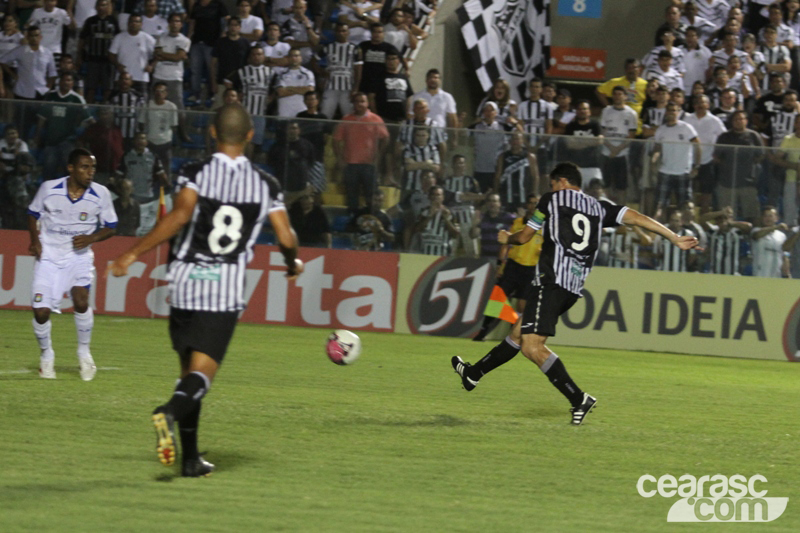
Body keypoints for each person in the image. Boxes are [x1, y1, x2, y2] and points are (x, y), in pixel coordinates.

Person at [108, 104, 303, 477]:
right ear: (250, 136)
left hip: (183, 281)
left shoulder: (194, 172)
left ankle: (191, 458)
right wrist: (291, 261)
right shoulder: (265, 184)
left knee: (187, 374)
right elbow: (284, 236)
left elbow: (180, 215)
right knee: (202, 376)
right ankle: (166, 413)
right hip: (223, 288)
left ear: (212, 133)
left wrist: (132, 253)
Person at [451, 162, 700, 425]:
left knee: (532, 347)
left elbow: (525, 237)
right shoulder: (599, 206)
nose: (551, 188)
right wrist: (673, 236)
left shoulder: (551, 199)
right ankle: (473, 374)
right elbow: (637, 217)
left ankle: (578, 398)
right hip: (572, 286)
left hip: (550, 281)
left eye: (552, 184)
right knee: (517, 332)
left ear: (561, 181)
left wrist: (506, 239)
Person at [28, 148, 117, 381]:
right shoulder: (49, 189)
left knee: (80, 300)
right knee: (40, 312)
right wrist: (34, 241)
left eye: (93, 168)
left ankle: (84, 353)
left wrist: (91, 238)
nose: (90, 173)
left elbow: (111, 226)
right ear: (71, 168)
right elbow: (32, 213)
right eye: (85, 167)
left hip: (79, 256)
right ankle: (47, 356)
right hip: (48, 257)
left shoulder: (101, 194)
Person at [473, 193, 542, 342]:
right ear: (527, 205)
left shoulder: (546, 227)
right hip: (513, 266)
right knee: (497, 299)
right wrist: (500, 265)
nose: (533, 206)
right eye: (531, 203)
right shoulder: (518, 222)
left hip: (531, 269)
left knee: (522, 305)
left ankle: (515, 336)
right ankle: (483, 331)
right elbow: (506, 243)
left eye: (536, 203)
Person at [333, 92, 389, 213]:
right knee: (352, 196)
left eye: (362, 101)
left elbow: (385, 138)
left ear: (367, 103)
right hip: (350, 164)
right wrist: (340, 159)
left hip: (369, 164)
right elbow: (336, 140)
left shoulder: (375, 119)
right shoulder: (346, 119)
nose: (360, 104)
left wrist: (378, 156)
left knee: (371, 195)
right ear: (353, 103)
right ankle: (353, 222)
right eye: (357, 101)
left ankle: (371, 222)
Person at [713, 110, 765, 223]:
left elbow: (760, 155)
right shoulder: (724, 136)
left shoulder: (753, 135)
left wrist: (749, 165)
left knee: (752, 214)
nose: (739, 121)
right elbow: (716, 157)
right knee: (727, 215)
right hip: (726, 182)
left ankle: (752, 236)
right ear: (731, 122)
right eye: (736, 119)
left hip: (748, 182)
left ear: (746, 121)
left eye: (741, 119)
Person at [114, 131, 168, 235]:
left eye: (143, 139)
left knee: (144, 230)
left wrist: (166, 186)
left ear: (147, 142)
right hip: (132, 198)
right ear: (134, 141)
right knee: (131, 228)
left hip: (147, 197)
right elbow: (119, 175)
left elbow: (161, 175)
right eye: (138, 139)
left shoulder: (153, 156)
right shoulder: (127, 156)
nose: (141, 141)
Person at [684, 94, 727, 213]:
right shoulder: (687, 119)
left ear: (708, 105)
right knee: (688, 192)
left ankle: (704, 218)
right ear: (693, 105)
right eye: (697, 102)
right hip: (688, 161)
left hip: (708, 161)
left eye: (703, 102)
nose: (700, 105)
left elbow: (723, 138)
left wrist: (716, 154)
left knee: (706, 192)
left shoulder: (715, 120)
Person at [316, 22, 362, 120]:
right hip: (330, 87)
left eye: (343, 31)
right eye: (338, 31)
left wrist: (355, 88)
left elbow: (358, 70)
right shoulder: (327, 47)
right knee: (325, 115)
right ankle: (324, 134)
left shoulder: (355, 49)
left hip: (348, 87)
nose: (341, 33)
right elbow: (314, 60)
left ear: (348, 32)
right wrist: (321, 72)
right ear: (335, 32)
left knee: (350, 116)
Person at [600, 86, 638, 205]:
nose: (617, 96)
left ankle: (620, 215)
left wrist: (617, 149)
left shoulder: (631, 113)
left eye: (620, 94)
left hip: (622, 155)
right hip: (607, 153)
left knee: (621, 187)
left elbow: (631, 135)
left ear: (625, 96)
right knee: (605, 184)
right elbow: (602, 133)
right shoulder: (606, 111)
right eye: (615, 94)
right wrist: (611, 148)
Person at [77, 0, 119, 103]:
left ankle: (105, 112)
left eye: (104, 5)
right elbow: (82, 40)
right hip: (93, 60)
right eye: (100, 5)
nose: (102, 7)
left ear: (108, 6)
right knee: (91, 88)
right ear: (96, 7)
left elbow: (118, 40)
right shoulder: (90, 21)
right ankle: (88, 112)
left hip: (108, 61)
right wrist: (79, 56)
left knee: (108, 89)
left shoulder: (113, 21)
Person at [108, 14, 156, 95]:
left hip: (141, 77)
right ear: (128, 23)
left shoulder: (148, 38)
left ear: (141, 24)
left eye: (137, 21)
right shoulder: (119, 37)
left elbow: (158, 54)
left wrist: (151, 66)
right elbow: (111, 54)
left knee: (141, 104)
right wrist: (117, 65)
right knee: (120, 102)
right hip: (122, 78)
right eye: (132, 21)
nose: (134, 23)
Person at [699, 206, 752, 275]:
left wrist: (731, 223)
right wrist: (721, 212)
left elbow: (749, 226)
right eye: (720, 218)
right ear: (716, 221)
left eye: (725, 218)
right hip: (714, 274)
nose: (723, 220)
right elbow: (702, 220)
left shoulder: (736, 233)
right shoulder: (713, 232)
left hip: (732, 274)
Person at [494, 131, 538, 214]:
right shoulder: (503, 156)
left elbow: (535, 177)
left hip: (524, 196)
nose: (515, 142)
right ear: (510, 142)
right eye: (513, 139)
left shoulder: (530, 156)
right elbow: (497, 177)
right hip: (507, 196)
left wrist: (534, 194)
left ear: (522, 141)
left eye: (517, 139)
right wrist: (496, 192)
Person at [411, 185, 459, 255]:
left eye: (438, 195)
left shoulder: (450, 213)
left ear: (443, 197)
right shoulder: (424, 212)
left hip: (443, 252)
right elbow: (416, 230)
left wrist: (446, 219)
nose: (435, 197)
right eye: (433, 194)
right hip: (424, 251)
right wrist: (430, 216)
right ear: (429, 197)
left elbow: (456, 234)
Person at [274, 48, 316, 117]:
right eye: (291, 56)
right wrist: (301, 89)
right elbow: (280, 92)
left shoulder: (308, 73)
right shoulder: (281, 74)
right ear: (288, 58)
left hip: (302, 111)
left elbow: (310, 90)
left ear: (301, 58)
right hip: (284, 112)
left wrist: (288, 88)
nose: (294, 58)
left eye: (296, 56)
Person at [751, 206, 789, 277]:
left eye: (770, 216)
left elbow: (784, 253)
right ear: (762, 218)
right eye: (765, 216)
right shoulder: (756, 230)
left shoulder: (782, 236)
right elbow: (756, 236)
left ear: (776, 218)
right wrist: (776, 227)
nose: (768, 218)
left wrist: (787, 268)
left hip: (776, 275)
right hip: (760, 274)